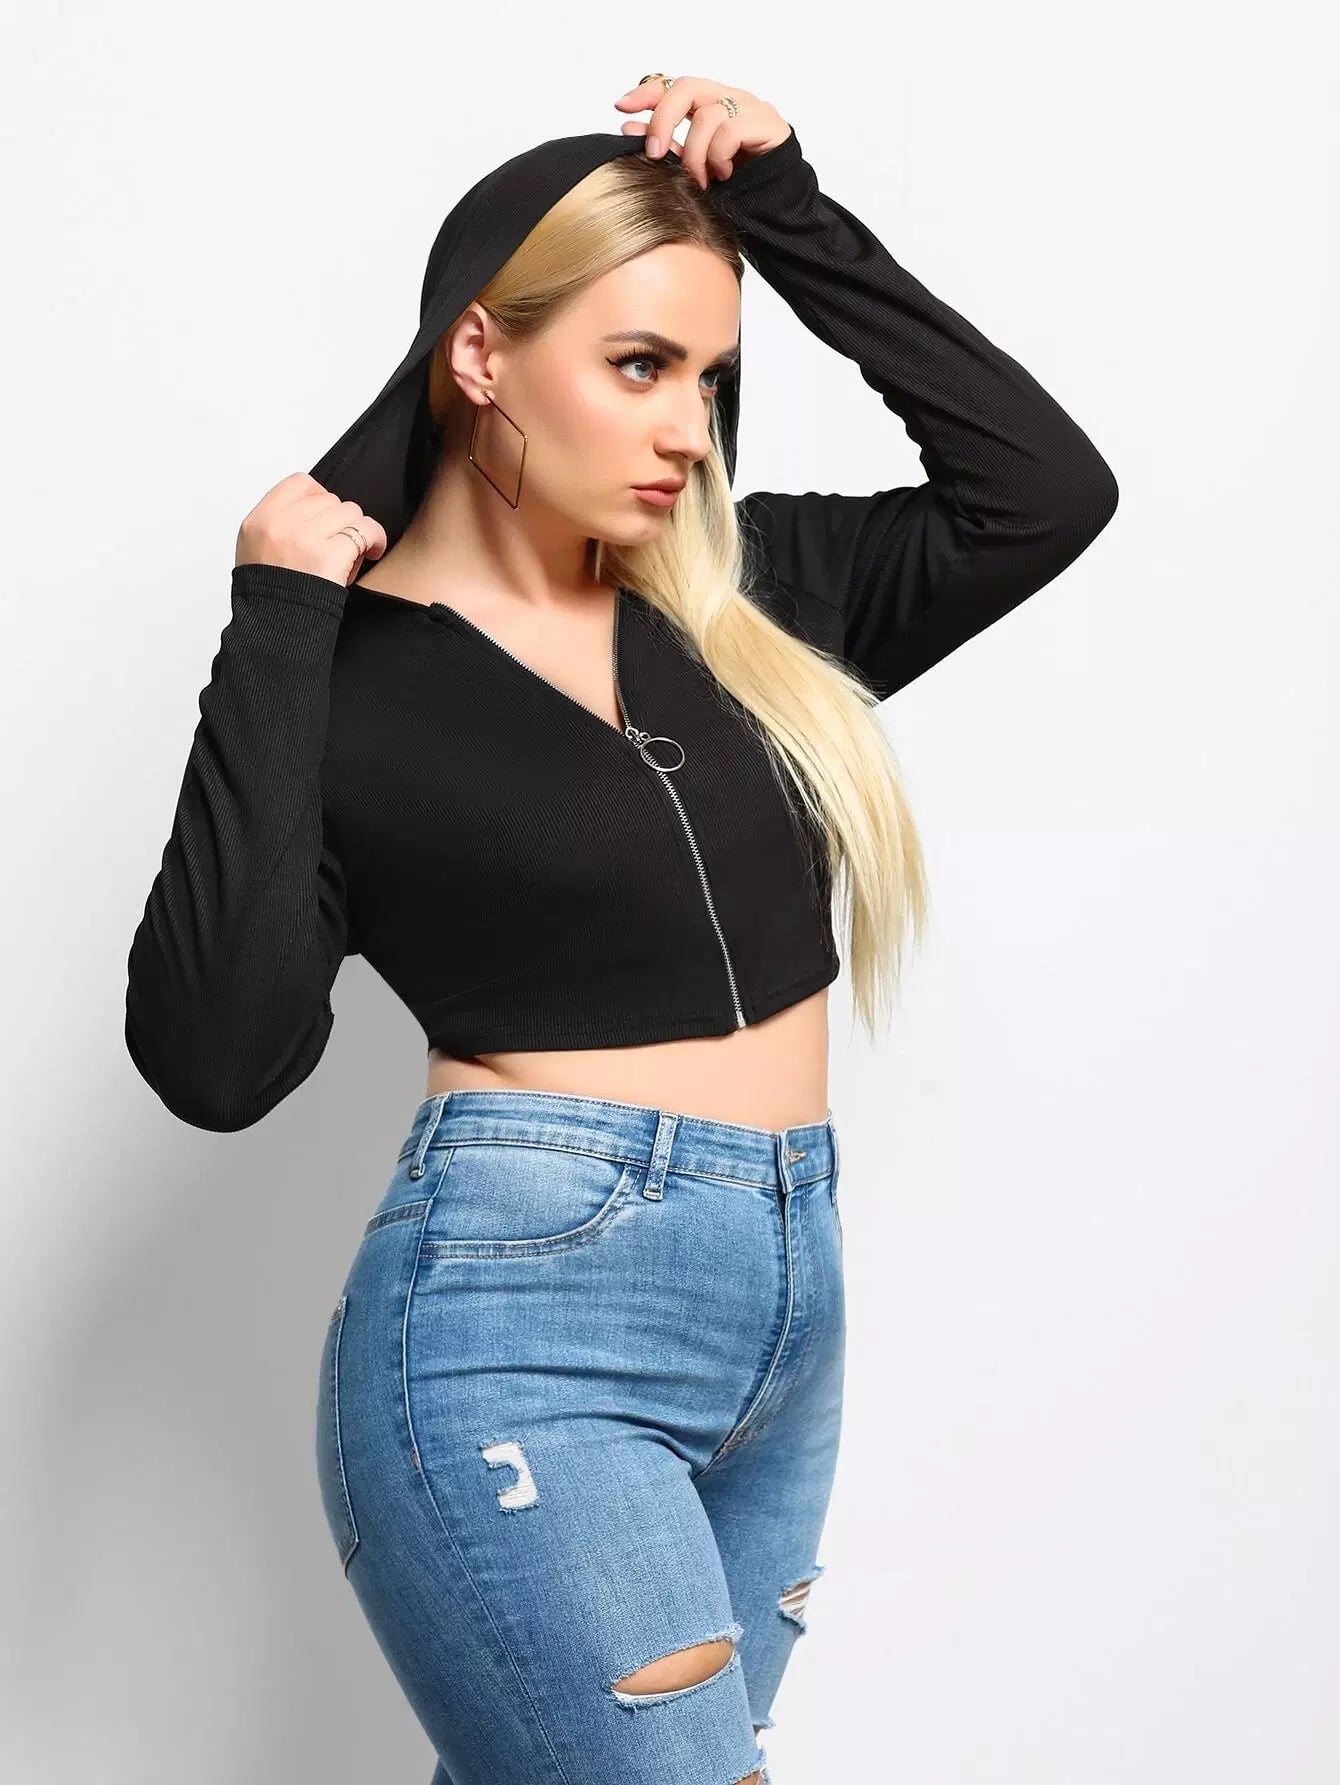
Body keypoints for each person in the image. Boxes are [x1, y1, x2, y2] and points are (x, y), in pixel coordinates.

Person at [123, 71, 1117, 1785]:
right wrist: (278, 626)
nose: (689, 432)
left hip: (785, 1316)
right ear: (480, 353)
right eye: (641, 365)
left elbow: (1042, 492)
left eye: (711, 379)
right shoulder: (343, 685)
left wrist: (790, 214)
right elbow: (215, 1058)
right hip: (519, 1324)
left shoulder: (752, 605)